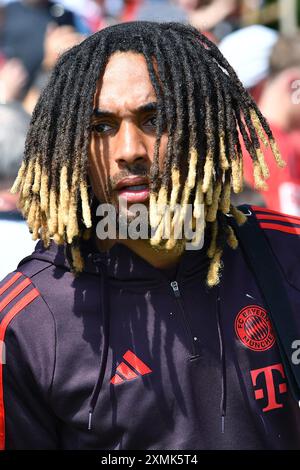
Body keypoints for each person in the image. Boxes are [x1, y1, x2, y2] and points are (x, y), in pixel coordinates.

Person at [1, 21, 300, 450]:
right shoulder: (27, 321)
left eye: (154, 118)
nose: (129, 149)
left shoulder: (287, 252)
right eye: (101, 126)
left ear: (202, 126)